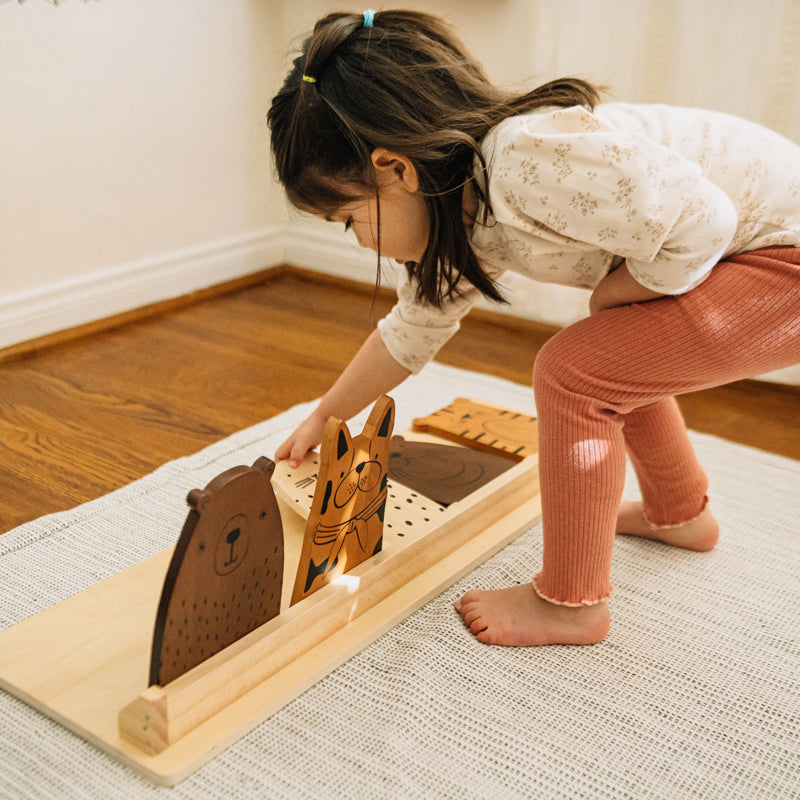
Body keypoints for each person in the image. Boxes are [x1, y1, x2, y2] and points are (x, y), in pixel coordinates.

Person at [267, 9, 800, 647]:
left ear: (396, 169)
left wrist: (616, 293)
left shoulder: (523, 161)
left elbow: (706, 220)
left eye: (350, 219)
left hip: (782, 258)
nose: (360, 242)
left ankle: (573, 604)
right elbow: (409, 331)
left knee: (574, 373)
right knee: (612, 358)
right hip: (751, 255)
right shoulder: (462, 212)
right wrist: (327, 416)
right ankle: (680, 514)